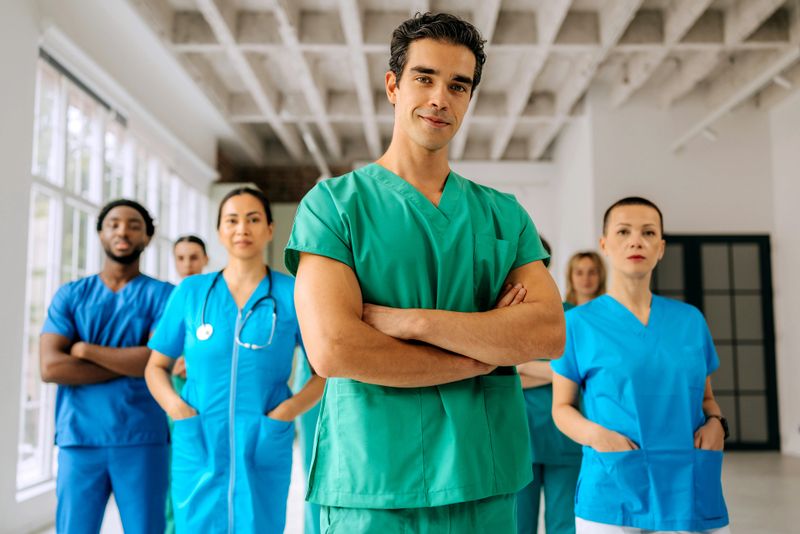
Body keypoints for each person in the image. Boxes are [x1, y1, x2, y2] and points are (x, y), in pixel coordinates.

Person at [285, 12, 565, 533]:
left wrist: (413, 322)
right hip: (374, 482)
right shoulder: (333, 206)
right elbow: (334, 349)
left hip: (484, 476)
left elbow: (547, 332)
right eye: (425, 78)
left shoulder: (503, 214)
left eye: (458, 86)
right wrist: (483, 356)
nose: (441, 97)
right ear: (393, 85)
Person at [145, 187, 325, 533]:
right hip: (197, 435)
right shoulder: (191, 292)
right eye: (232, 220)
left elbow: (324, 371)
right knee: (195, 523)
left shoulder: (292, 294)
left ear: (270, 230)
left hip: (263, 435)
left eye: (253, 219)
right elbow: (155, 367)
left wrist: (287, 411)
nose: (242, 228)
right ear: (219, 231)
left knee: (259, 522)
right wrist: (177, 409)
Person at [551, 197, 730, 534]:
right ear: (605, 244)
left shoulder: (690, 320)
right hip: (612, 484)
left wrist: (717, 423)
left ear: (660, 248)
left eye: (648, 233)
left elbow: (707, 400)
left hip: (688, 484)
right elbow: (561, 408)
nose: (636, 241)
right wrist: (598, 436)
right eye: (623, 232)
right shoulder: (578, 324)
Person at [39, 199, 174, 534]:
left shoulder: (164, 295)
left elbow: (159, 360)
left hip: (142, 439)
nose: (123, 231)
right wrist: (135, 361)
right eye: (113, 224)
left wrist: (85, 350)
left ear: (147, 237)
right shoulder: (71, 295)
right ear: (100, 233)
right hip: (80, 440)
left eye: (134, 225)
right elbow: (51, 367)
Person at [516, 238, 591, 534]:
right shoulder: (501, 316)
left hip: (565, 435)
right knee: (518, 524)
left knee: (564, 525)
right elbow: (498, 375)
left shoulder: (573, 315)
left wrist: (522, 366)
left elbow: (583, 373)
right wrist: (557, 371)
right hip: (521, 435)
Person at [164, 234, 208, 534]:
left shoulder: (212, 296)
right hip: (173, 396)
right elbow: (156, 349)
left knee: (204, 475)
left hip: (206, 395)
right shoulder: (171, 297)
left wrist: (194, 362)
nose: (187, 264)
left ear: (205, 259)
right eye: (181, 258)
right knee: (174, 478)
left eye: (194, 257)